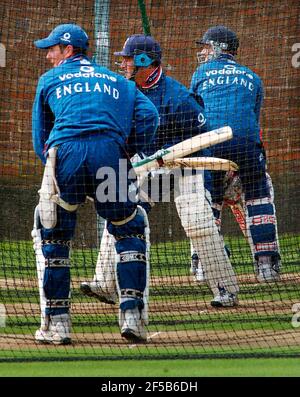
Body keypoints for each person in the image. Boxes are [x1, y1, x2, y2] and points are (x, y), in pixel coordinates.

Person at [80, 34, 239, 308]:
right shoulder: (126, 94)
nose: (124, 64)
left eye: (128, 59)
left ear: (144, 61)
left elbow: (204, 139)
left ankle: (226, 289)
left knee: (198, 223)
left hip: (186, 167)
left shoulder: (180, 99)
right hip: (149, 166)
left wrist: (199, 176)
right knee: (120, 212)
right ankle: (105, 284)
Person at [31, 24, 159, 344]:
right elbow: (150, 116)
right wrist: (126, 150)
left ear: (68, 50)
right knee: (128, 226)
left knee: (55, 235)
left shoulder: (49, 80)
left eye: (52, 49)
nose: (48, 55)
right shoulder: (120, 82)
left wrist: (54, 163)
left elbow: (39, 137)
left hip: (67, 154)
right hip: (109, 154)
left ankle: (58, 325)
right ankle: (132, 315)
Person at [190, 25, 281, 282]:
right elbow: (251, 116)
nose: (204, 52)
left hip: (212, 141)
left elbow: (196, 111)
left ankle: (206, 266)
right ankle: (266, 265)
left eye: (207, 46)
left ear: (219, 48)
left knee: (209, 203)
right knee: (259, 198)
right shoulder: (252, 76)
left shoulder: (201, 73)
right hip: (247, 144)